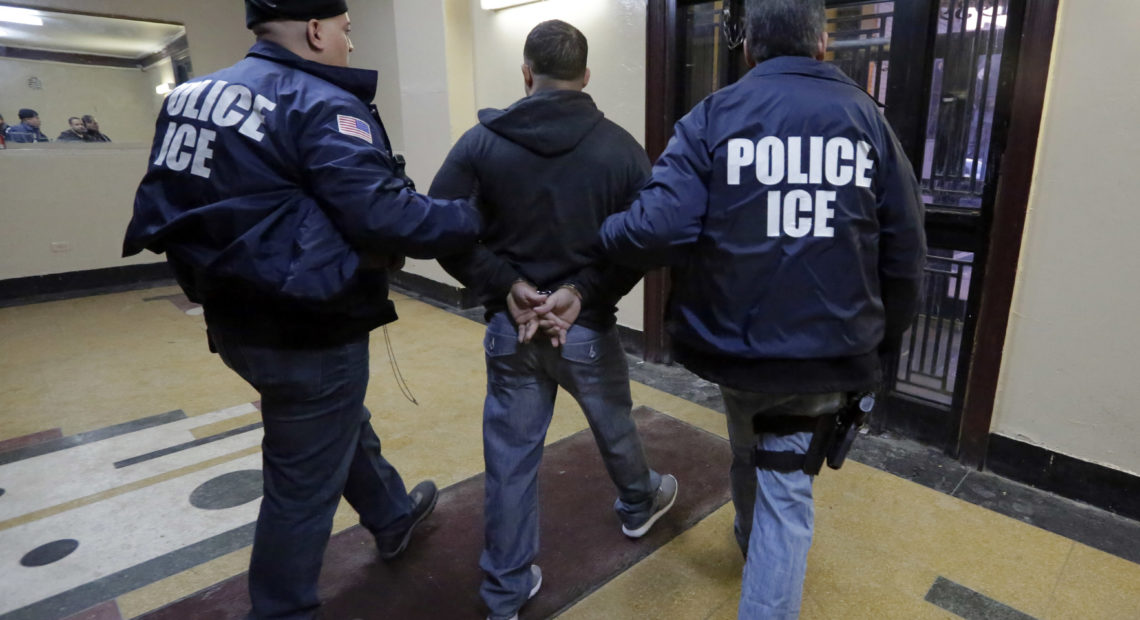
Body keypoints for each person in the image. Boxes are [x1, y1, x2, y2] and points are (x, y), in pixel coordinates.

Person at [122, 1, 483, 618]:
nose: (348, 43)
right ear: (317, 30)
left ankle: (392, 515)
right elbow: (388, 216)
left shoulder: (192, 95)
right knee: (300, 484)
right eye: (346, 31)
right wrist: (478, 215)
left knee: (332, 423)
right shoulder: (320, 101)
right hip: (307, 325)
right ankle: (282, 607)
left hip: (234, 319)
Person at [598, 0, 927, 617]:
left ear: (749, 49)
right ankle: (761, 541)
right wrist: (881, 347)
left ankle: (755, 539)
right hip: (828, 351)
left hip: (734, 344)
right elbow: (906, 253)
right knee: (785, 484)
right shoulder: (868, 121)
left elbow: (655, 229)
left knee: (753, 446)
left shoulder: (711, 117)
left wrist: (602, 232)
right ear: (823, 45)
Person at [429, 20, 678, 620]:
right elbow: (642, 245)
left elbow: (439, 228)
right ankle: (639, 503)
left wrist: (508, 287)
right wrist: (580, 290)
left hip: (510, 329)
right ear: (586, 77)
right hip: (586, 327)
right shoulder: (621, 148)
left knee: (511, 459)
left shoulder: (480, 144)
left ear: (525, 73)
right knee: (614, 425)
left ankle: (507, 592)